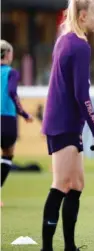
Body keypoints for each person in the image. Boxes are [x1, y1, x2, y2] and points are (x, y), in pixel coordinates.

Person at [40, 0, 94, 250]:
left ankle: (69, 246)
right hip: (63, 122)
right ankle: (47, 247)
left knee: (76, 185)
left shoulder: (66, 39)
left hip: (65, 122)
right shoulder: (79, 45)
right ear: (83, 15)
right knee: (61, 185)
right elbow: (81, 94)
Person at [1, 40, 33, 207]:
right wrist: (24, 113)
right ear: (8, 55)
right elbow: (12, 91)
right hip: (6, 119)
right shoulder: (11, 73)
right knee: (7, 153)